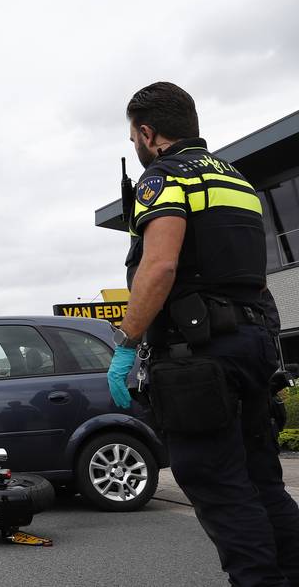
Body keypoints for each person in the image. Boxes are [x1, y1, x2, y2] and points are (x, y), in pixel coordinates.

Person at [107, 82, 299, 585]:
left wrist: (126, 343)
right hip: (253, 343)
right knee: (262, 478)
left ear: (149, 133)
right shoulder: (236, 179)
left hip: (200, 355)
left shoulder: (162, 179)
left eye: (134, 139)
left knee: (217, 482)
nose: (136, 148)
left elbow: (161, 266)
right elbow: (255, 278)